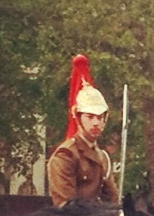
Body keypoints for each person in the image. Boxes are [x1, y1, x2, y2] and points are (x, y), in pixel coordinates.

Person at [46, 54, 120, 206]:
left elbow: (112, 199)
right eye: (90, 117)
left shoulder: (103, 157)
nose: (95, 123)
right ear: (78, 117)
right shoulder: (65, 155)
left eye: (100, 118)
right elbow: (66, 206)